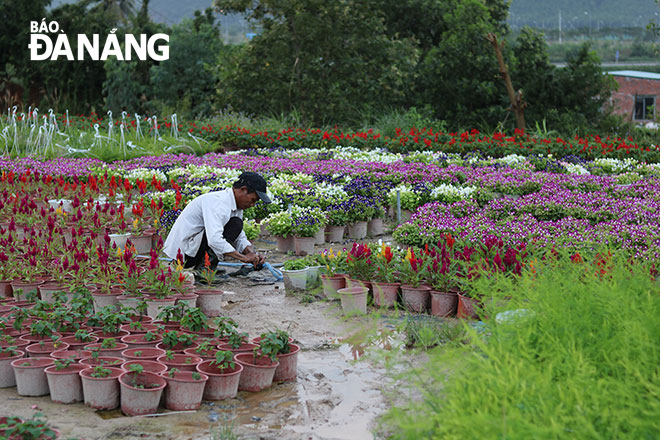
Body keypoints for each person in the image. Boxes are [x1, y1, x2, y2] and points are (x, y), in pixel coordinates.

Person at [163, 171, 271, 270]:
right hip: (183, 255)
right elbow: (214, 240)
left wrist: (252, 254)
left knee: (236, 224)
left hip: (193, 250)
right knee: (233, 225)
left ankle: (206, 267)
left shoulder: (235, 205)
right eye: (253, 200)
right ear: (242, 190)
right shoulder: (219, 203)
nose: (252, 205)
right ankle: (204, 270)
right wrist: (243, 257)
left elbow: (239, 235)